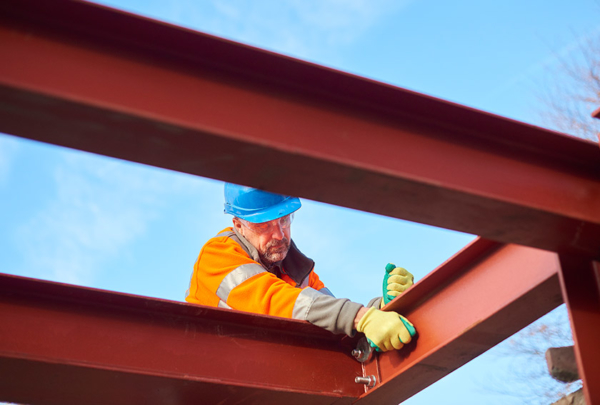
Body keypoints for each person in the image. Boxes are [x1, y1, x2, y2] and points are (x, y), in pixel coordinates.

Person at [186, 183, 416, 352]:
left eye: (284, 220)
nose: (278, 234)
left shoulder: (294, 268)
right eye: (264, 226)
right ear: (238, 225)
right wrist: (363, 318)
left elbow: (332, 319)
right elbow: (275, 300)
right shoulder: (218, 255)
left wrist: (384, 306)